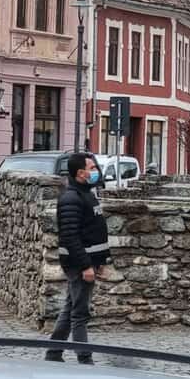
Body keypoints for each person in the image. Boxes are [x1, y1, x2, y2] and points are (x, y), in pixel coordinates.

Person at [46, 153, 110, 364]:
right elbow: (70, 236)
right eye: (92, 168)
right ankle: (84, 359)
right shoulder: (71, 198)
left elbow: (94, 231)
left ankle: (54, 353)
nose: (96, 171)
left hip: (88, 261)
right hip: (78, 263)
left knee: (70, 308)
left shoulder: (86, 194)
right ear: (80, 172)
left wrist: (100, 261)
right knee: (80, 314)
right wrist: (86, 266)